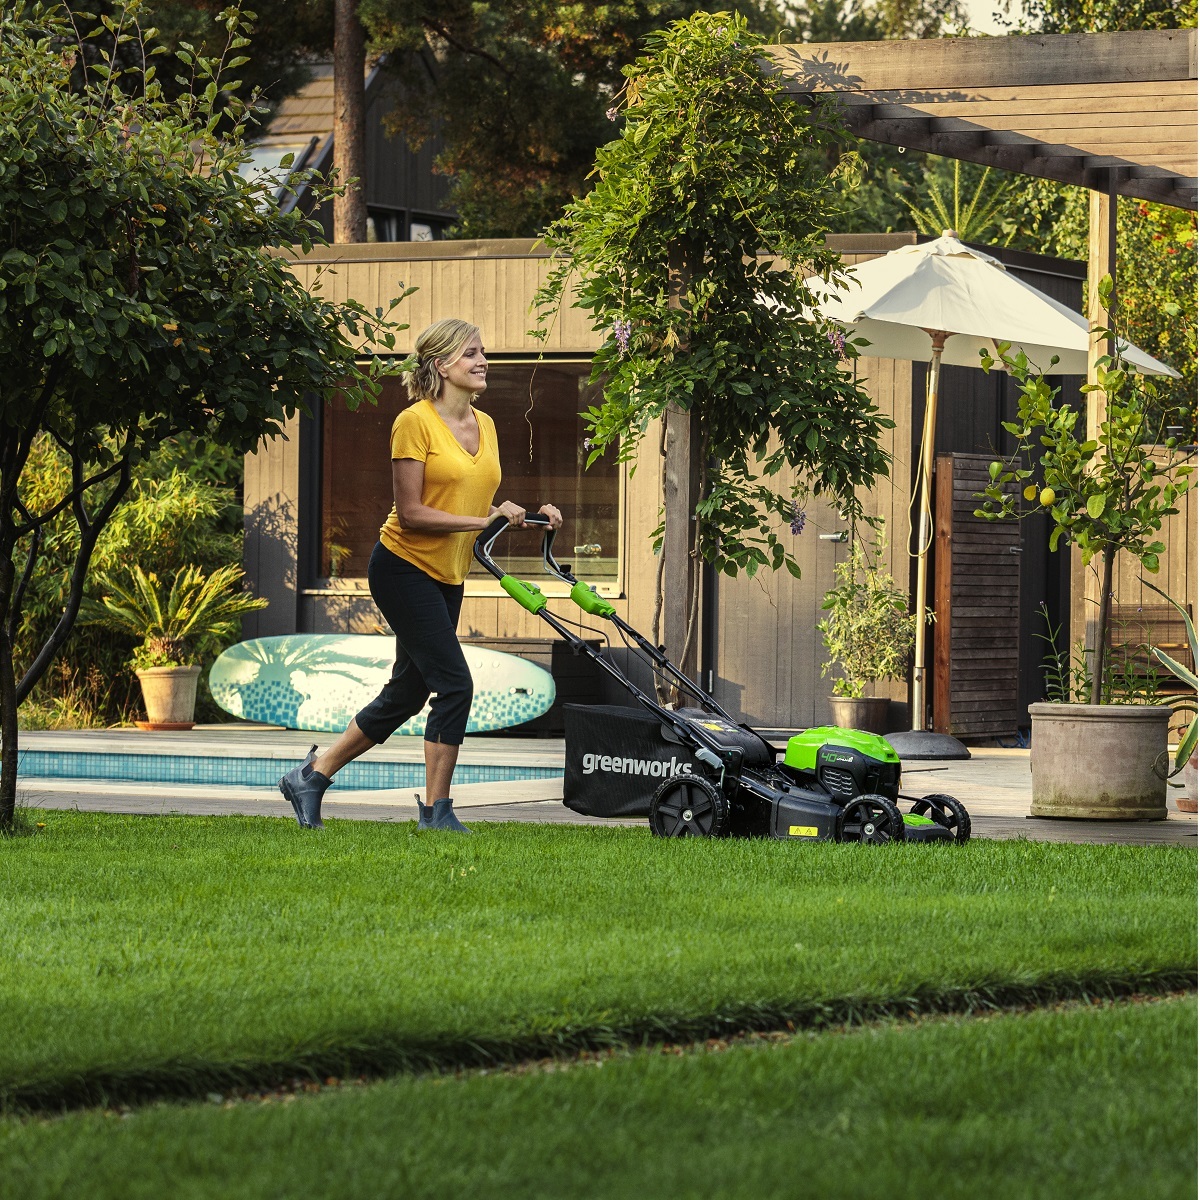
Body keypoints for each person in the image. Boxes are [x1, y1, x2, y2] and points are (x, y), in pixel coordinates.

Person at [279, 318, 562, 832]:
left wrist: (529, 514)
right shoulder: (414, 421)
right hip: (402, 566)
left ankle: (312, 777)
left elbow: (471, 497)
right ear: (441, 365)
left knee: (407, 693)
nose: (482, 362)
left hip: (447, 574)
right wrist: (485, 519)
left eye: (483, 352)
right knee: (454, 684)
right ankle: (436, 811)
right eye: (470, 353)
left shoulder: (488, 425)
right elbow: (410, 511)